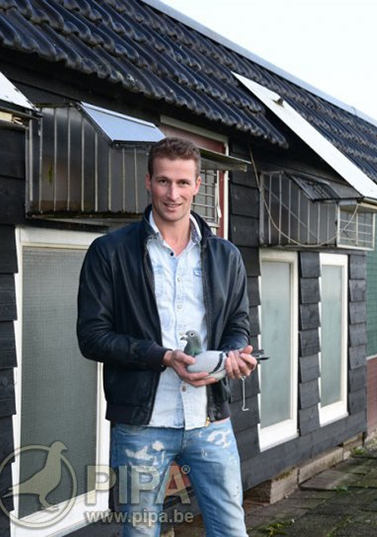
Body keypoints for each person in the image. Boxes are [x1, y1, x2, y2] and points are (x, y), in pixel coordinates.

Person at [77, 137, 255, 536]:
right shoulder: (109, 252)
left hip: (209, 418)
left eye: (182, 182)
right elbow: (92, 337)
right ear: (148, 182)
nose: (173, 194)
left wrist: (232, 357)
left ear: (197, 185)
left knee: (231, 529)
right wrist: (162, 356)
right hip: (141, 424)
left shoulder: (226, 255)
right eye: (163, 181)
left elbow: (237, 324)